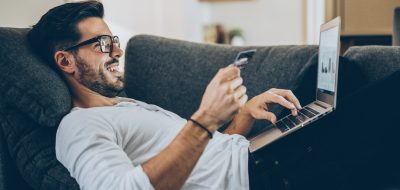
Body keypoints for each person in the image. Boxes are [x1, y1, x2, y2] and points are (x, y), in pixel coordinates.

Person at [28, 1, 400, 190]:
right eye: (102, 44)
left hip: (255, 152)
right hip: (269, 175)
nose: (116, 51)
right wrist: (204, 119)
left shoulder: (122, 106)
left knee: (343, 69)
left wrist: (243, 118)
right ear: (66, 61)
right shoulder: (78, 128)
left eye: (114, 41)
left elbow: (206, 166)